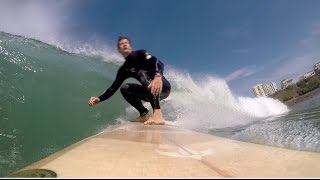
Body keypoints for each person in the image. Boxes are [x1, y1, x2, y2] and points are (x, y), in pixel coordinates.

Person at [88, 36, 171, 125]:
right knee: (124, 88)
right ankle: (144, 114)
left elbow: (158, 63)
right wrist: (99, 98)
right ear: (119, 50)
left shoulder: (142, 54)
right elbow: (113, 89)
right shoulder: (124, 69)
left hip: (163, 87)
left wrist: (158, 76)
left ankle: (158, 115)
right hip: (149, 92)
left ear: (130, 46)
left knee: (140, 72)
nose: (124, 44)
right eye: (121, 44)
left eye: (126, 43)